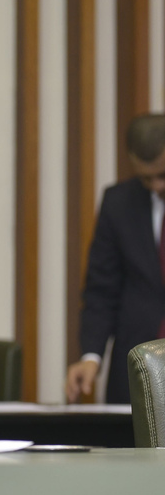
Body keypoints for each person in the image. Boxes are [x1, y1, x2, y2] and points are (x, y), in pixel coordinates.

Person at [66, 113, 165, 404]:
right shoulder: (118, 203)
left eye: (163, 175)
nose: (156, 186)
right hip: (136, 367)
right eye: (146, 178)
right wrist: (91, 356)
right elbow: (101, 288)